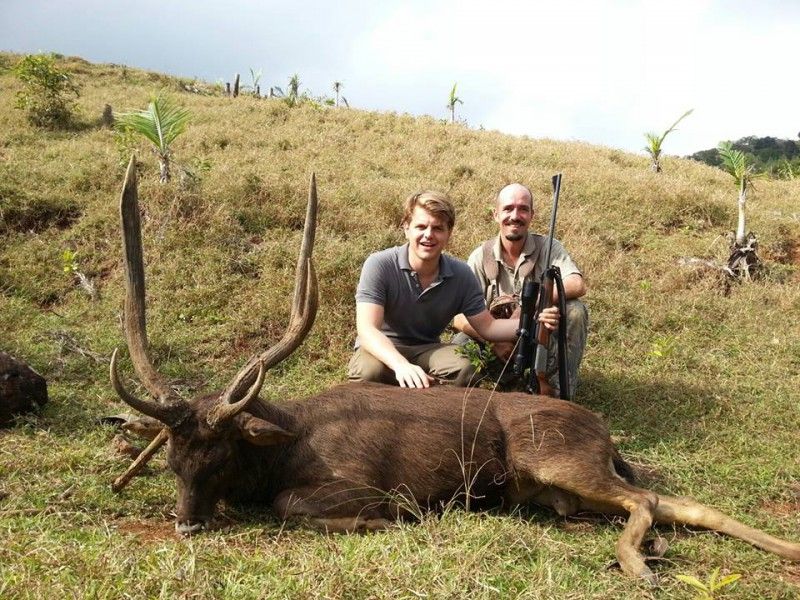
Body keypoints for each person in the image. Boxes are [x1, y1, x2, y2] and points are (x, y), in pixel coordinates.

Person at [348, 190, 560, 389]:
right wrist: (401, 365)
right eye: (421, 227)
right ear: (406, 228)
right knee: (368, 371)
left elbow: (489, 327)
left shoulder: (461, 274)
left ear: (449, 233)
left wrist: (534, 322)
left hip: (427, 350)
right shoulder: (379, 264)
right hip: (381, 349)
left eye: (438, 228)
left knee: (466, 367)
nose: (428, 235)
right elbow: (368, 330)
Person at [452, 183, 588, 397]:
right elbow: (459, 317)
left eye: (523, 209)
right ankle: (474, 394)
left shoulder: (550, 248)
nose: (515, 216)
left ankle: (558, 393)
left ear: (532, 215)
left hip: (537, 346)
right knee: (460, 343)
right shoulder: (480, 256)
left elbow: (576, 284)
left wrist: (531, 303)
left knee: (574, 311)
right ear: (496, 215)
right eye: (508, 209)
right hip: (497, 347)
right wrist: (492, 340)